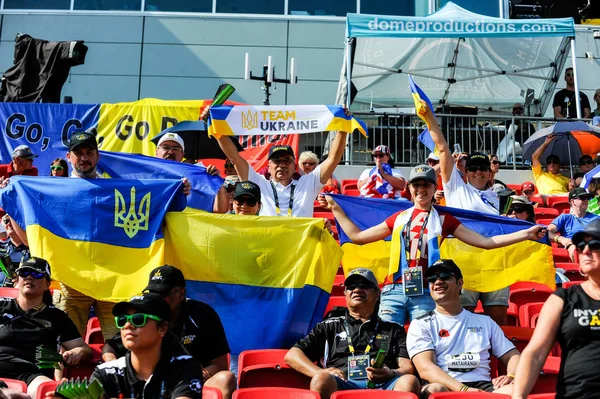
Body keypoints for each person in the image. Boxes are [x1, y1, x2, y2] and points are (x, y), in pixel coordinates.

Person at [325, 164, 545, 326]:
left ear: (433, 188)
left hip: (426, 291)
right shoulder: (398, 218)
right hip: (394, 290)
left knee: (423, 345)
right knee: (386, 343)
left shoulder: (443, 220)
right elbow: (357, 237)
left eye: (426, 184)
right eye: (416, 184)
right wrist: (335, 208)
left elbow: (486, 242)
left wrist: (525, 233)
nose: (421, 189)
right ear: (409, 189)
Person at [423, 100, 515, 324]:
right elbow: (443, 148)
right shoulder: (455, 187)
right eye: (473, 168)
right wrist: (429, 119)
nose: (478, 172)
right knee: (462, 319)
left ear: (490, 172)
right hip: (463, 263)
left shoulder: (501, 196)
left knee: (499, 323)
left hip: (494, 262)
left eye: (483, 168)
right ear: (466, 172)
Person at [284, 268, 420, 399]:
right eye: (351, 286)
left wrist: (391, 373)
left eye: (364, 285)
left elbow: (407, 367)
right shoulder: (329, 325)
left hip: (383, 383)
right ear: (345, 292)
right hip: (342, 381)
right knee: (321, 379)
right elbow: (292, 355)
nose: (357, 289)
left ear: (378, 293)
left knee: (409, 381)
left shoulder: (393, 328)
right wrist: (320, 371)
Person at [102, 265, 235, 399]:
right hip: (153, 382)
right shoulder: (143, 316)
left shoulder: (203, 314)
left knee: (226, 378)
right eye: (152, 293)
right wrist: (112, 365)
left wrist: (194, 373)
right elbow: (110, 347)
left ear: (181, 294)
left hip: (194, 382)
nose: (156, 299)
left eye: (162, 294)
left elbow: (221, 365)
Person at [512, 219, 600, 399]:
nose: (585, 250)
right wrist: (518, 397)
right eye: (581, 245)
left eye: (595, 244)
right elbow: (535, 354)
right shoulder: (562, 300)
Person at [208, 104, 349, 217]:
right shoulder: (258, 183)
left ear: (294, 166)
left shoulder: (307, 183)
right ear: (268, 166)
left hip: (298, 248)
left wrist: (343, 128)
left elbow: (333, 159)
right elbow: (235, 158)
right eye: (276, 161)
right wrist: (215, 128)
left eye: (287, 161)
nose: (282, 165)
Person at [407, 259, 520, 398]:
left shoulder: (485, 322)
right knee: (435, 390)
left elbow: (513, 355)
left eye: (444, 276)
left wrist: (512, 376)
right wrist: (463, 390)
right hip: (445, 385)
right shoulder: (421, 324)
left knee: (515, 390)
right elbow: (426, 369)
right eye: (432, 278)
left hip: (482, 385)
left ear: (460, 283)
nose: (437, 281)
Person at [0, 257, 91, 398]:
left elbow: (84, 349)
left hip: (32, 375)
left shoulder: (57, 316)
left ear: (47, 283)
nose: (29, 277)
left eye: (36, 274)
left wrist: (77, 352)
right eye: (24, 273)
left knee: (49, 391)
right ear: (17, 280)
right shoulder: (2, 307)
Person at [93, 293, 203, 399]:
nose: (127, 325)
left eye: (138, 319)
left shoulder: (185, 367)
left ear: (162, 328)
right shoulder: (105, 373)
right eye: (122, 320)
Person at [155, 132, 228, 213]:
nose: (171, 152)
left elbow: (220, 210)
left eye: (176, 149)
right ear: (157, 152)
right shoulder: (144, 173)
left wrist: (217, 183)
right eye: (166, 147)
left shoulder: (198, 178)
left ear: (182, 155)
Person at [548, 187, 599, 261]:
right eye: (582, 197)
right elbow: (545, 232)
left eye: (587, 197)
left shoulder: (596, 218)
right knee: (574, 248)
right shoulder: (565, 218)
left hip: (595, 247)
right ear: (572, 201)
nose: (586, 200)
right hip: (574, 247)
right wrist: (561, 239)